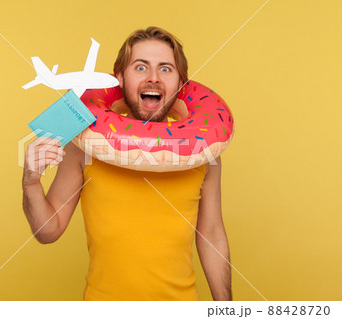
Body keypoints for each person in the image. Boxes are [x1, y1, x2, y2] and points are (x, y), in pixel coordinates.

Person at [22, 27, 232, 301]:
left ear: (181, 83)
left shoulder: (203, 153)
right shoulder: (85, 146)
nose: (153, 79)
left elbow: (212, 235)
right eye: (141, 67)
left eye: (165, 69)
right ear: (119, 77)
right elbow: (47, 231)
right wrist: (31, 183)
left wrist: (227, 309)